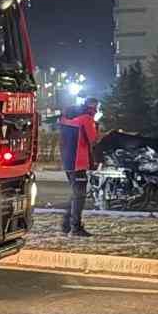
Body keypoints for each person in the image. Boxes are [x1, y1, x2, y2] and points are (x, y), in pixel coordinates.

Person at [57, 97, 100, 237]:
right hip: (79, 162)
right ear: (92, 107)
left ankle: (67, 225)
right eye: (96, 107)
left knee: (75, 194)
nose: (96, 110)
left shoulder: (66, 119)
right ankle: (75, 228)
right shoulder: (86, 119)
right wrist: (96, 125)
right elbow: (93, 139)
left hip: (67, 161)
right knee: (79, 196)